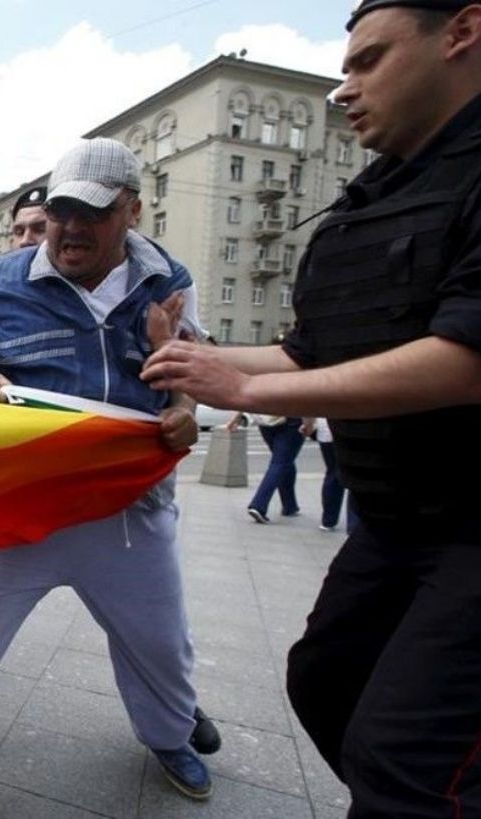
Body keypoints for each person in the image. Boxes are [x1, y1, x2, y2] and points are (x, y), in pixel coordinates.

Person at [142, 3, 481, 813]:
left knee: (404, 760)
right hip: (397, 523)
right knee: (327, 683)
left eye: (370, 60)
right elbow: (307, 351)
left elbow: (465, 360)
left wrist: (245, 390)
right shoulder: (374, 197)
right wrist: (195, 355)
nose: (344, 89)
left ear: (461, 33)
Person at [0, 138, 216, 804]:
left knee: (160, 643)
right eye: (60, 211)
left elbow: (187, 369)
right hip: (26, 508)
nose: (70, 228)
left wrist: (182, 409)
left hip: (128, 510)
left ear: (132, 211)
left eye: (92, 213)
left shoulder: (168, 279)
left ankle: (171, 737)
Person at [239, 413, 306, 523]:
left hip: (266, 420)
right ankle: (258, 505)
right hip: (291, 420)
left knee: (285, 460)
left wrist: (236, 418)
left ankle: (290, 505)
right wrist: (309, 422)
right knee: (280, 462)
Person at [306, 418, 347, 532]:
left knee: (332, 472)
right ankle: (354, 522)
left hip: (326, 430)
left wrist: (308, 425)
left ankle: (328, 520)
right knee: (354, 474)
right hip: (351, 427)